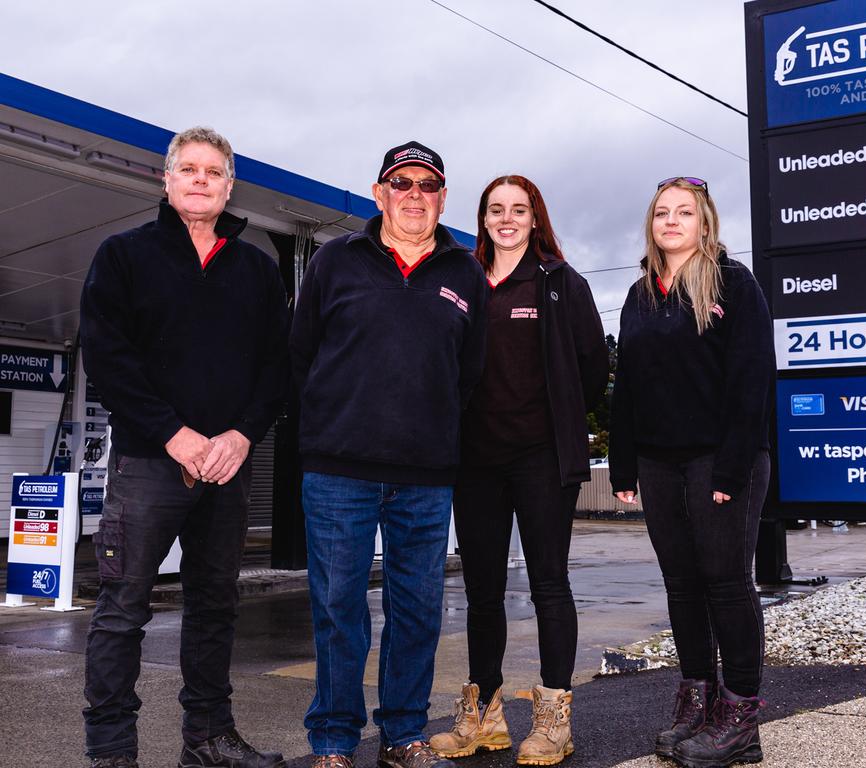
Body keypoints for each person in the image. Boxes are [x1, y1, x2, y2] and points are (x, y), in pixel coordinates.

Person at [79, 127, 289, 768]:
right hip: (149, 460)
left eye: (213, 172)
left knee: (214, 606)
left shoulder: (256, 268)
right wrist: (174, 434)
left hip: (226, 467)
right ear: (166, 180)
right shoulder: (123, 256)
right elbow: (108, 358)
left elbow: (277, 366)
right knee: (122, 609)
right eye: (188, 169)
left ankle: (208, 739)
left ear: (230, 187)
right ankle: (112, 750)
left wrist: (241, 434)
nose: (200, 180)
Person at [290, 141, 488, 768]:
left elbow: (471, 373)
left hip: (426, 478)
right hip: (338, 472)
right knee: (338, 609)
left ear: (442, 199)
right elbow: (300, 356)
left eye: (426, 185)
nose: (413, 194)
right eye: (400, 183)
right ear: (379, 193)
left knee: (417, 611)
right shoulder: (334, 260)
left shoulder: (465, 272)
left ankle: (403, 735)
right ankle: (333, 742)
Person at [429, 176, 608, 766]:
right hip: (474, 461)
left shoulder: (561, 283)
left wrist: (550, 420)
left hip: (541, 460)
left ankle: (554, 719)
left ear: (536, 219)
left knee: (548, 584)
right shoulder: (460, 280)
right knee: (482, 593)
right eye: (495, 209)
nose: (506, 219)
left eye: (519, 210)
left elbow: (591, 370)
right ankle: (484, 718)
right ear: (481, 219)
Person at [608, 177, 774, 768]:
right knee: (681, 585)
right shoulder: (638, 295)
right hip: (658, 462)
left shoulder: (735, 284)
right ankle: (696, 704)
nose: (671, 221)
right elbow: (625, 386)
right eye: (661, 213)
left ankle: (740, 719)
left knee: (727, 583)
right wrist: (624, 462)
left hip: (721, 460)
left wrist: (731, 468)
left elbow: (751, 381)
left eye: (684, 212)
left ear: (705, 222)